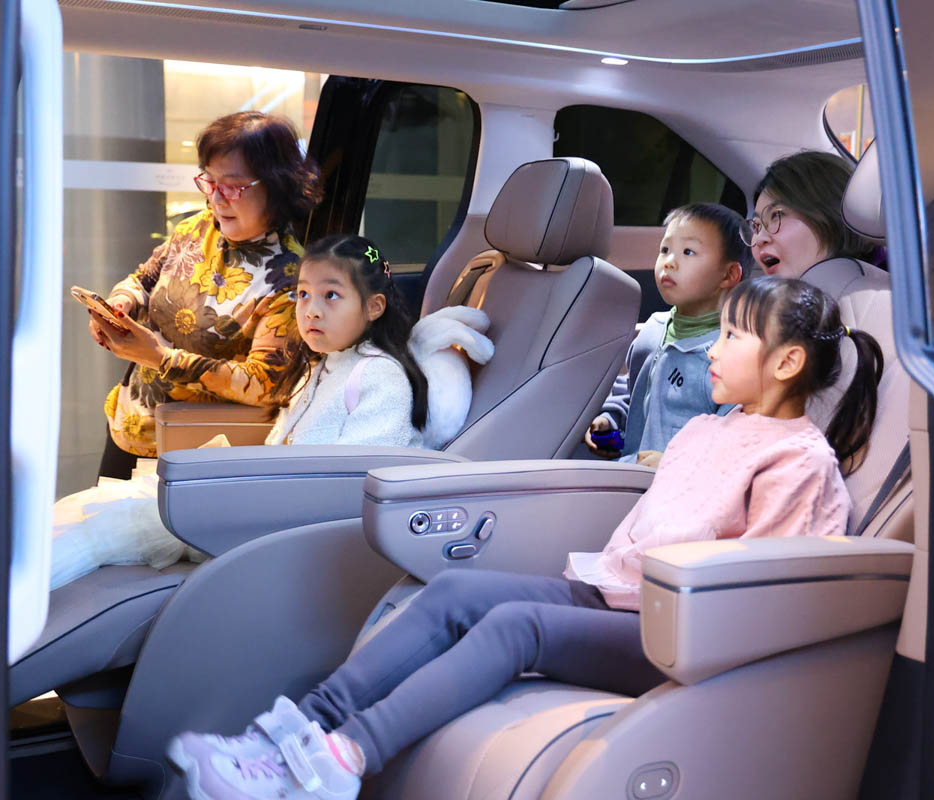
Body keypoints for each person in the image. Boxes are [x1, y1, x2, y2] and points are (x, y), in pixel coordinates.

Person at [165, 274, 884, 800]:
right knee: (453, 592)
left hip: (682, 638)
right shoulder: (707, 428)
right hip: (616, 597)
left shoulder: (798, 460)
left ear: (787, 363)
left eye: (733, 337)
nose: (715, 350)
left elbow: (770, 594)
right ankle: (289, 735)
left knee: (516, 628)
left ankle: (341, 761)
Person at [51, 235, 493, 591]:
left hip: (290, 527)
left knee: (102, 531)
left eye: (331, 295)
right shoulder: (324, 365)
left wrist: (249, 493)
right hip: (271, 505)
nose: (311, 310)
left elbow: (356, 485)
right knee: (91, 508)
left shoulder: (381, 378)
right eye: (303, 294)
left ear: (373, 307)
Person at [89, 111, 322, 477]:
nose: (216, 198)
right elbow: (145, 280)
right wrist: (121, 304)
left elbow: (265, 384)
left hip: (200, 449)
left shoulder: (292, 277)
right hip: (130, 424)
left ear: (276, 186)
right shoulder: (195, 229)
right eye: (209, 181)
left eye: (232, 186)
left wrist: (161, 358)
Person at [584, 202, 750, 468]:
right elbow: (634, 389)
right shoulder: (653, 330)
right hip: (633, 473)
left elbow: (733, 438)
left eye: (688, 252)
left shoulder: (729, 355)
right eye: (665, 250)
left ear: (728, 275)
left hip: (683, 484)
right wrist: (611, 417)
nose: (669, 262)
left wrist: (677, 462)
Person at [743, 150, 878, 280]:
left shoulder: (881, 291)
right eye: (756, 226)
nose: (759, 240)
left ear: (831, 213)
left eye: (777, 215)